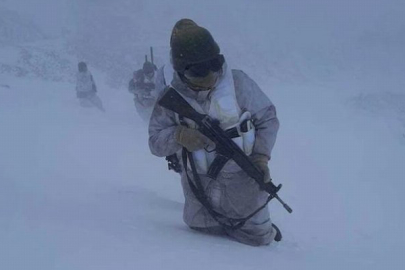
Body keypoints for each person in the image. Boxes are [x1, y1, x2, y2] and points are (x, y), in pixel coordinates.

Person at [148, 19, 281, 246]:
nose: (210, 78)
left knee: (259, 245)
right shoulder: (170, 100)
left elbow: (267, 119)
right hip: (199, 196)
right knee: (202, 242)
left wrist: (261, 156)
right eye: (199, 73)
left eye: (215, 66)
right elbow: (155, 142)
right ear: (182, 70)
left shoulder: (239, 83)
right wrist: (179, 136)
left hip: (245, 191)